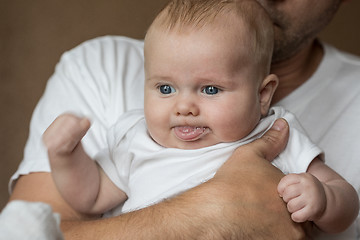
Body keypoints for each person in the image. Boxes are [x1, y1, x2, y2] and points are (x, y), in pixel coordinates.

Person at [7, 0, 360, 239]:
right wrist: (67, 156)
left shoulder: (275, 130)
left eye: (209, 90)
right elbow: (91, 195)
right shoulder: (138, 136)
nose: (184, 107)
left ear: (262, 95)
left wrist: (323, 199)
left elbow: (344, 197)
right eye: (164, 88)